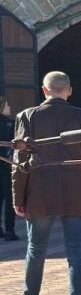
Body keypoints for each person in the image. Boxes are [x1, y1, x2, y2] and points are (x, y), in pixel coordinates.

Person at [12, 71, 81, 295]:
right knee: (76, 252)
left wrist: (18, 197)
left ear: (44, 91)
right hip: (76, 192)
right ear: (69, 91)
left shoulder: (28, 116)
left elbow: (19, 163)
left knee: (36, 249)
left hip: (39, 192)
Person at [0, 96, 17, 240]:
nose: (9, 108)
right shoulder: (10, 124)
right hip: (6, 165)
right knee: (9, 198)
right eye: (7, 105)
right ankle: (9, 231)